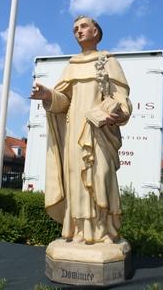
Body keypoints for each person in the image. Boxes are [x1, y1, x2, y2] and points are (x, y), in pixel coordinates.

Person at [30, 15, 132, 244]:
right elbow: (63, 101)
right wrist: (47, 95)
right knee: (77, 180)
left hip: (100, 131)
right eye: (75, 28)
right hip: (75, 132)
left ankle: (104, 231)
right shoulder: (72, 66)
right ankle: (79, 231)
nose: (79, 31)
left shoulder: (108, 62)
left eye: (84, 26)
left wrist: (119, 113)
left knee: (101, 176)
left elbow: (121, 98)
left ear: (96, 32)